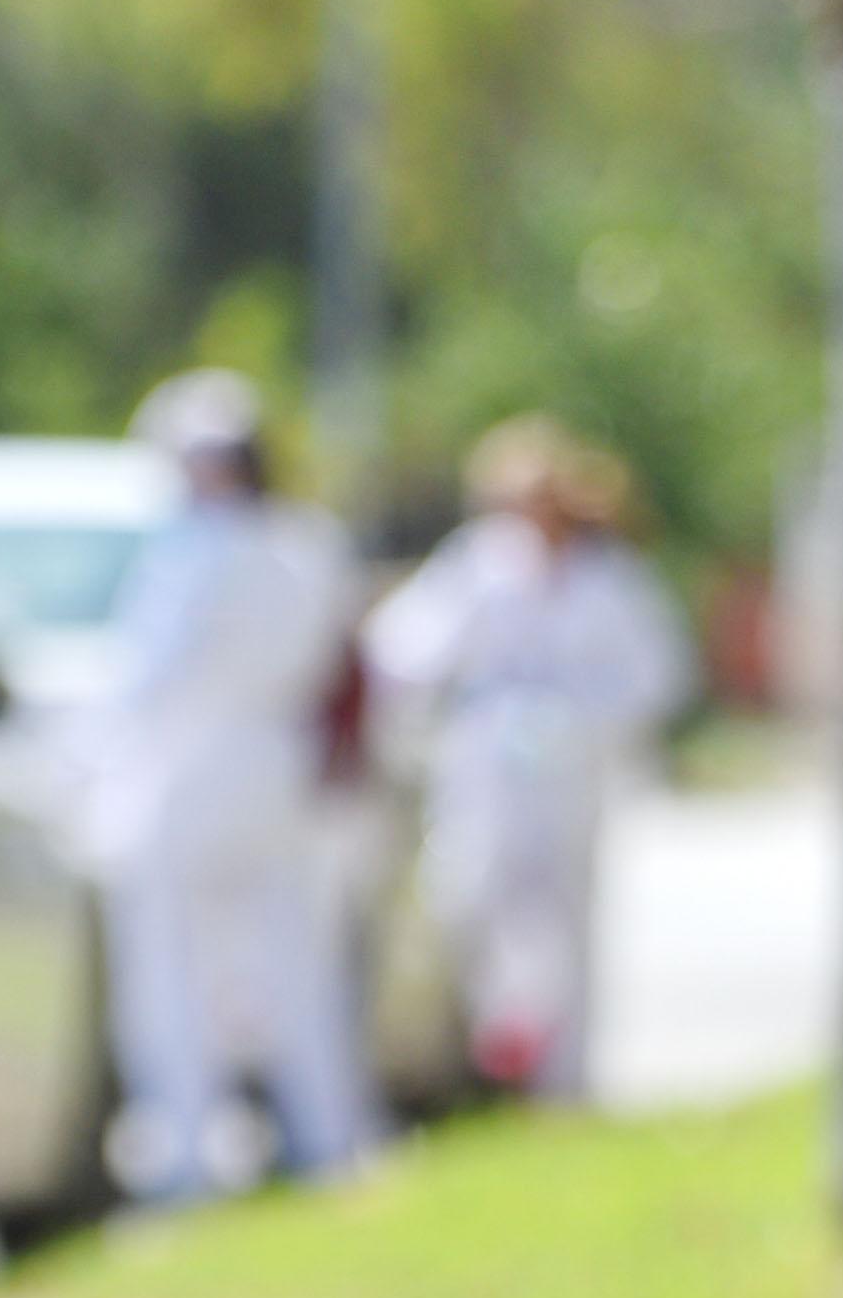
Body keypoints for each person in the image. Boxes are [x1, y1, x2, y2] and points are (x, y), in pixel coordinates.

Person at [85, 371, 374, 1202]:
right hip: (279, 772)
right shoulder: (307, 543)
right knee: (295, 961)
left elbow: (146, 679)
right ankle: (328, 1137)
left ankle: (185, 1153)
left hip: (190, 771)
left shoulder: (192, 551)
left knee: (169, 969)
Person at [360, 418, 691, 1097]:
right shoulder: (477, 564)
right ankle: (505, 1025)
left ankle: (564, 1078)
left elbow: (660, 672)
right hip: (486, 755)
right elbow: (406, 647)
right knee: (467, 892)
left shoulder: (609, 574)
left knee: (569, 912)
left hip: (574, 760)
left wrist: (585, 713)